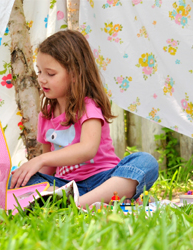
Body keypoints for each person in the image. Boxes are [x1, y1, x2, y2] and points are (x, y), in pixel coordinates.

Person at [9, 30, 158, 207]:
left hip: (104, 181)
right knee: (16, 179)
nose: (41, 79)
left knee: (146, 162)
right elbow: (49, 169)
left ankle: (78, 205)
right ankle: (97, 202)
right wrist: (28, 175)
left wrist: (39, 159)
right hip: (67, 186)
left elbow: (87, 149)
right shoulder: (46, 114)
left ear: (74, 74)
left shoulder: (88, 106)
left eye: (50, 73)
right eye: (39, 71)